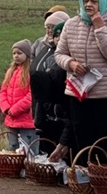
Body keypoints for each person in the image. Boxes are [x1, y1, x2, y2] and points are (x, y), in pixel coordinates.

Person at [54, 0, 107, 156]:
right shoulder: (71, 24)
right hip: (79, 91)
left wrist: (99, 26)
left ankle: (103, 176)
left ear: (102, 2)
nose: (89, 5)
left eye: (94, 1)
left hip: (106, 94)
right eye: (85, 1)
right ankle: (84, 176)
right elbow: (59, 53)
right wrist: (71, 64)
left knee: (104, 140)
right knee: (82, 137)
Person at [31, 12, 75, 162]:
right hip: (46, 108)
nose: (50, 32)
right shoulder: (44, 50)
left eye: (53, 28)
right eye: (47, 27)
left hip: (64, 110)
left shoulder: (68, 59)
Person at [0, 41, 38, 154]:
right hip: (11, 120)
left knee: (27, 150)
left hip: (26, 120)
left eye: (19, 53)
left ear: (27, 54)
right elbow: (3, 91)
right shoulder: (11, 71)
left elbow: (31, 95)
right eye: (14, 53)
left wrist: (15, 109)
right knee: (13, 148)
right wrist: (6, 108)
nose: (16, 56)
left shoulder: (31, 71)